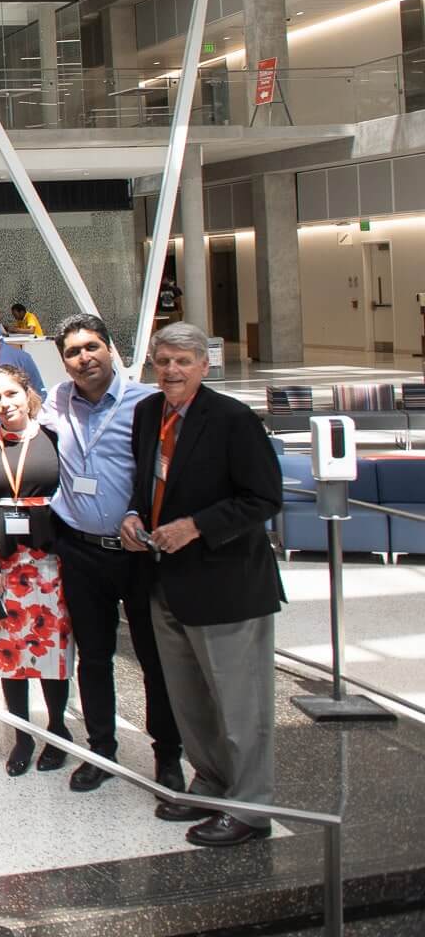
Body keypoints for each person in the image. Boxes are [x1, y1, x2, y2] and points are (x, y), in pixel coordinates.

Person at [125, 323, 283, 847]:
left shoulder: (233, 420)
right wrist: (132, 513)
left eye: (182, 362)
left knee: (241, 706)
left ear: (204, 366)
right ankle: (211, 780)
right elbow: (144, 481)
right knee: (189, 699)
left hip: (226, 586)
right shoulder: (149, 413)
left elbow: (263, 499)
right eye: (163, 361)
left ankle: (251, 809)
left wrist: (196, 527)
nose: (171, 371)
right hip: (166, 582)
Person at [39, 313, 181, 796]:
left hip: (136, 553)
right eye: (73, 353)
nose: (84, 358)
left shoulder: (147, 403)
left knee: (152, 657)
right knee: (93, 657)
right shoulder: (58, 402)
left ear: (111, 348)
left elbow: (163, 473)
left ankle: (168, 757)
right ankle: (101, 750)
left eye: (91, 347)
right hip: (81, 551)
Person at [0, 363, 73, 776]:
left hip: (49, 561)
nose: (4, 403)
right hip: (2, 563)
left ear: (27, 393)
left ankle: (59, 730)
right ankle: (23, 736)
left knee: (50, 653)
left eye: (11, 394)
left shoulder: (55, 438)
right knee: (9, 655)